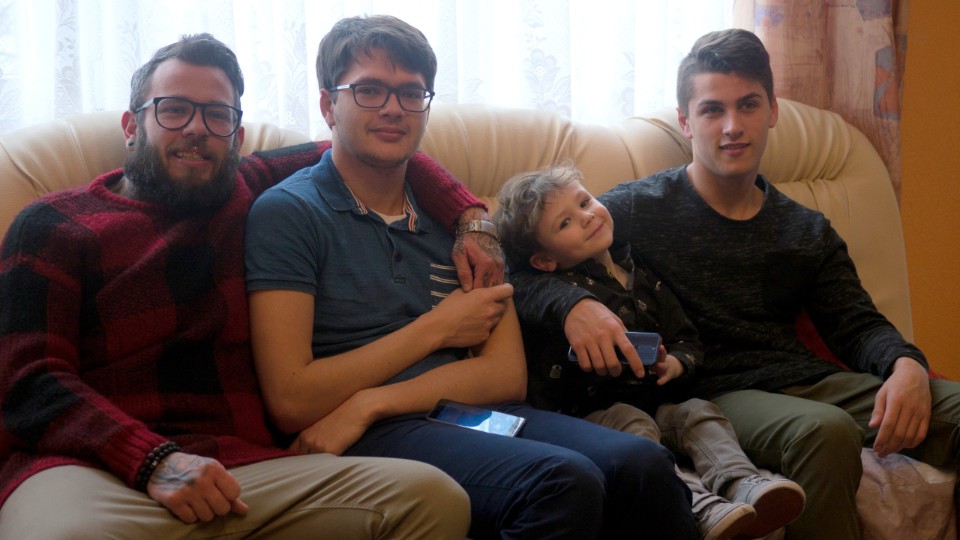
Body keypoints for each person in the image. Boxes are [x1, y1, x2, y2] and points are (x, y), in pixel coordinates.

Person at [0, 32, 506, 539]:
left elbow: (383, 147)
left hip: (246, 470)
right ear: (132, 126)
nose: (197, 129)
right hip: (90, 468)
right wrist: (151, 459)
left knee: (432, 498)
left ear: (237, 137)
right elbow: (27, 381)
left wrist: (472, 219)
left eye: (217, 116)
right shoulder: (53, 224)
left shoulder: (247, 186)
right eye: (174, 110)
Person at [245, 14, 699, 540]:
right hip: (367, 436)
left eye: (411, 93)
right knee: (561, 482)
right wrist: (438, 328)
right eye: (369, 90)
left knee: (644, 464)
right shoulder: (289, 213)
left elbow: (506, 376)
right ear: (328, 105)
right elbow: (291, 399)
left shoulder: (465, 224)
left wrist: (372, 401)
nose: (393, 108)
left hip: (444, 413)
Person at [509, 28, 960, 540]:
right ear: (685, 122)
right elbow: (518, 270)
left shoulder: (806, 229)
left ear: (773, 110)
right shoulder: (635, 208)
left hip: (807, 380)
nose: (732, 127)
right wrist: (572, 306)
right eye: (712, 110)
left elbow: (857, 326)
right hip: (714, 392)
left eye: (748, 105)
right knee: (825, 431)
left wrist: (906, 364)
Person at [493, 163, 806, 540]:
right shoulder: (550, 292)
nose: (587, 216)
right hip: (592, 416)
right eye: (565, 223)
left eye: (585, 201)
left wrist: (675, 363)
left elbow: (685, 337)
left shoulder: (639, 272)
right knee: (632, 421)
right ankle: (695, 503)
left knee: (698, 412)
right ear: (544, 260)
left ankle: (743, 484)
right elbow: (516, 287)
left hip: (658, 401)